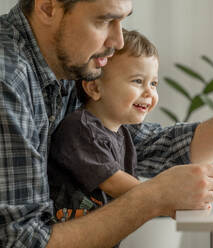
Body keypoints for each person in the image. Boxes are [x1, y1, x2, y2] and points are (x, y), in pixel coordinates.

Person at [0, 0, 213, 247]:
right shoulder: (8, 78)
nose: (117, 41)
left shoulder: (68, 68)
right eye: (105, 20)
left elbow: (156, 146)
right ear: (47, 7)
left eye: (123, 21)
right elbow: (23, 241)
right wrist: (153, 197)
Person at [47, 29, 170, 223]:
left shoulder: (123, 136)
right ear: (95, 88)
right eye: (138, 81)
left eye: (153, 83)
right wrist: (166, 199)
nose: (149, 92)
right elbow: (114, 183)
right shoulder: (80, 129)